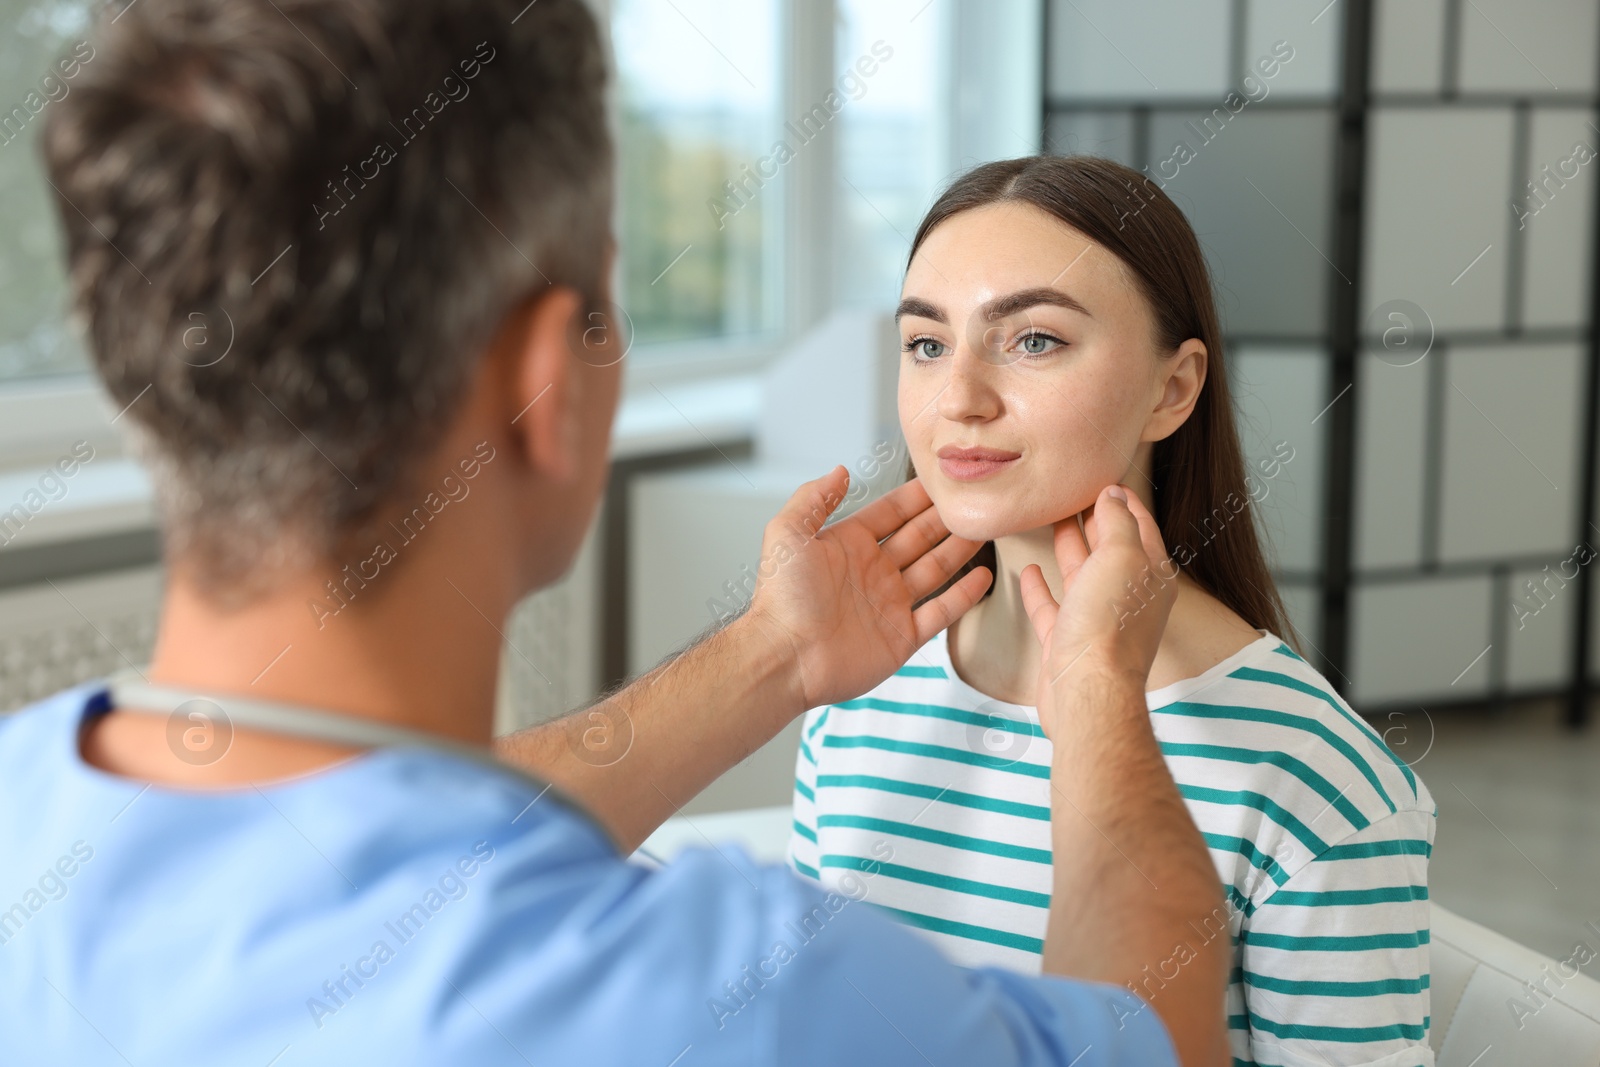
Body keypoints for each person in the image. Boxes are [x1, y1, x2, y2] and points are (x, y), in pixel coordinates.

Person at [1, 2, 1232, 1064]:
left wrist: (776, 655)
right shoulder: (745, 994)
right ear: (549, 378)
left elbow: (362, 841)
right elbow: (1157, 1037)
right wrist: (1102, 698)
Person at [788, 155, 1436, 1067]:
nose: (959, 400)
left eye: (1034, 340)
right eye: (928, 344)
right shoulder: (853, 699)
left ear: (1172, 389)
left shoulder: (1317, 779)